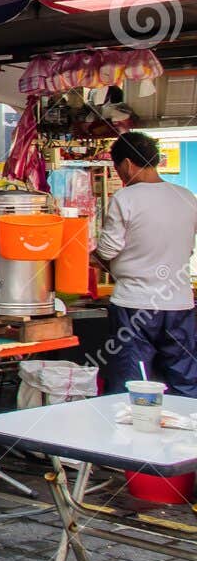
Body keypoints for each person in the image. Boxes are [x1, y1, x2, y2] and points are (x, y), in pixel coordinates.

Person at [95, 131, 197, 398]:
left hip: (135, 306)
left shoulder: (125, 198)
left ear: (127, 164)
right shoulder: (187, 197)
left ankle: (132, 437)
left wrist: (94, 258)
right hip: (179, 304)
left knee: (133, 383)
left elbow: (108, 249)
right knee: (184, 380)